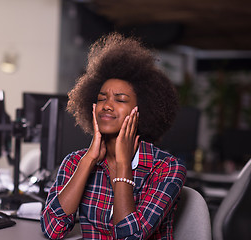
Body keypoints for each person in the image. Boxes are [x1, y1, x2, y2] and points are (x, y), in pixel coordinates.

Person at [40, 32, 187, 239]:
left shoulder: (167, 168)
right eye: (102, 98)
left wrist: (123, 166)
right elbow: (53, 229)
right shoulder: (75, 162)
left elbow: (129, 237)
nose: (107, 106)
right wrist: (89, 160)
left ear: (142, 109)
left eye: (120, 99)